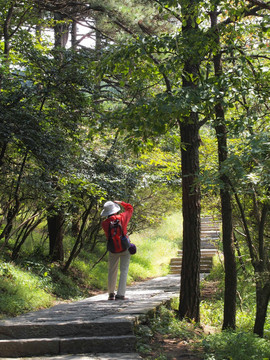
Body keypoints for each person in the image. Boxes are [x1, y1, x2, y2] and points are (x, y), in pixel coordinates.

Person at [101, 200, 133, 301]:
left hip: (113, 249)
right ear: (115, 210)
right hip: (124, 247)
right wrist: (121, 202)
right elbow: (130, 208)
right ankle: (120, 295)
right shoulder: (122, 217)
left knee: (112, 271)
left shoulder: (105, 223)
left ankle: (111, 294)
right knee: (124, 270)